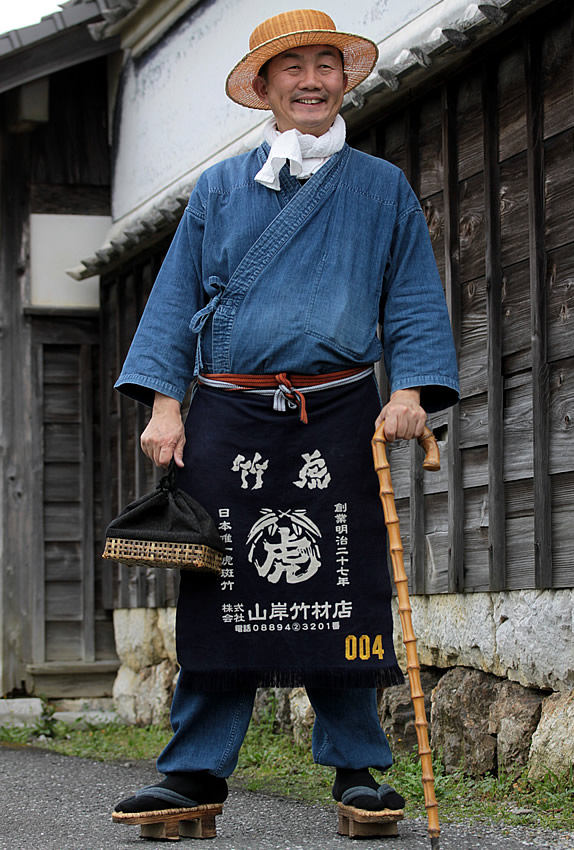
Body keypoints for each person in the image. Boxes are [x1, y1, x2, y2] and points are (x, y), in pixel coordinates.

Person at [112, 7, 459, 830]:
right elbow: (175, 299)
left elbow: (410, 296)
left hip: (340, 409)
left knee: (343, 586)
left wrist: (408, 392)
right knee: (220, 589)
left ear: (344, 80)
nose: (311, 80)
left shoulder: (382, 188)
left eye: (325, 65)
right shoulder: (220, 190)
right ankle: (194, 774)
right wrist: (167, 405)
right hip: (227, 409)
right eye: (291, 68)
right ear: (263, 88)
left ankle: (359, 772)